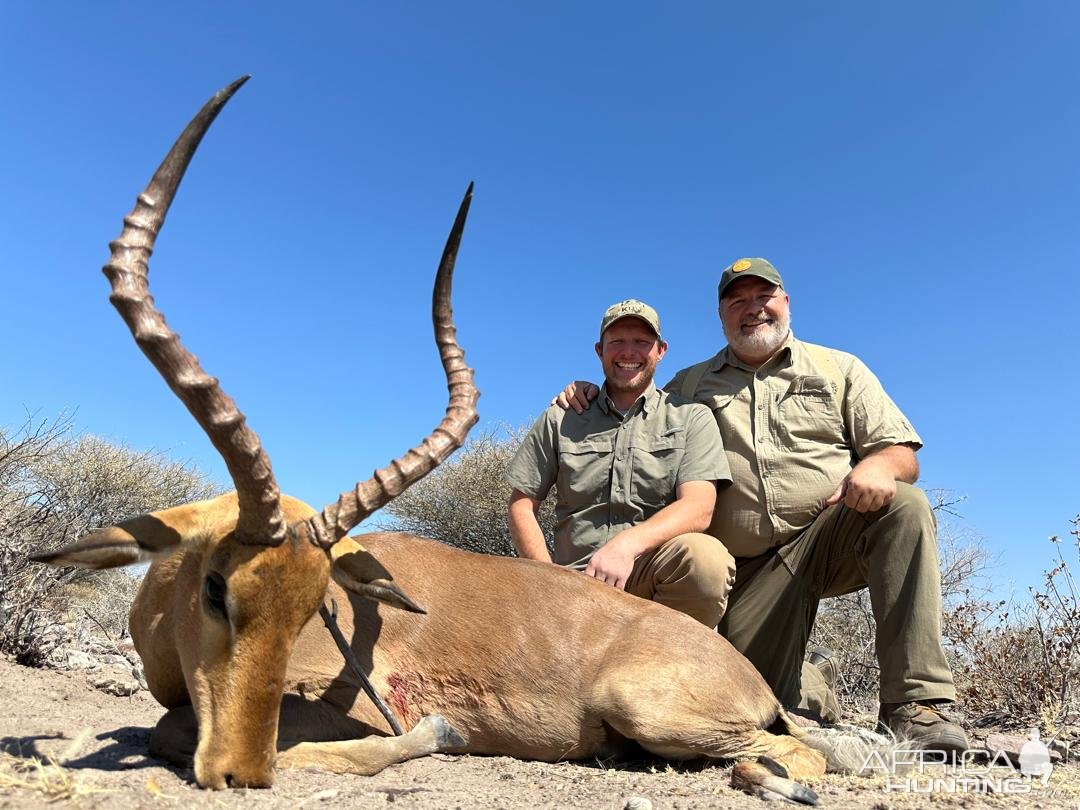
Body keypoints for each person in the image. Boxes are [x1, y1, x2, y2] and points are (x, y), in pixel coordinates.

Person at [556, 259, 968, 752]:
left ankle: (915, 706)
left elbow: (901, 451)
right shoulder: (688, 385)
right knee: (744, 700)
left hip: (825, 539)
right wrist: (587, 391)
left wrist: (880, 466)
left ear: (786, 303)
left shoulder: (840, 369)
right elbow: (632, 401)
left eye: (763, 297)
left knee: (905, 506)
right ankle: (811, 679)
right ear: (722, 315)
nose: (752, 310)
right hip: (741, 574)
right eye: (737, 302)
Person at [506, 299, 736, 628]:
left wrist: (626, 547)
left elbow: (699, 507)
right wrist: (545, 579)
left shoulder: (691, 417)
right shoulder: (562, 416)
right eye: (617, 342)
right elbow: (521, 504)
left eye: (642, 342)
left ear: (661, 350)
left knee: (706, 560)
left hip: (649, 580)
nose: (629, 352)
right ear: (600, 350)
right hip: (572, 585)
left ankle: (667, 664)